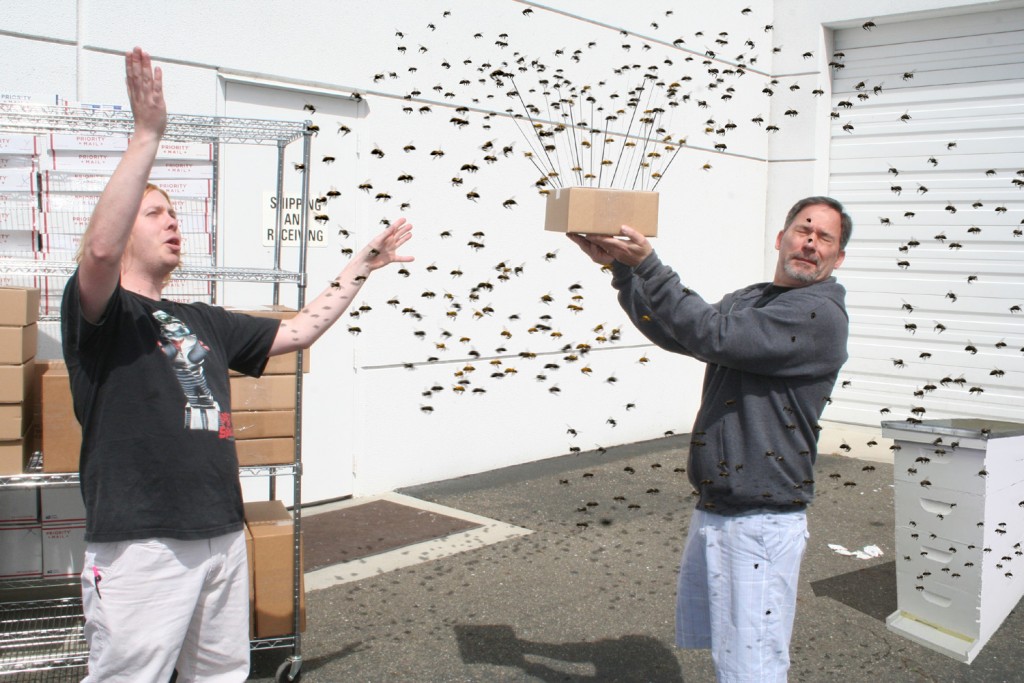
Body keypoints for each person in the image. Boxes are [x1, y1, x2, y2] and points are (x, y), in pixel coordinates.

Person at [62, 47, 413, 682]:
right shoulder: (103, 315)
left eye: (173, 212)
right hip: (143, 540)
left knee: (221, 676)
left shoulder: (204, 318)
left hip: (221, 528)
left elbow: (301, 331)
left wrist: (359, 268)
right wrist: (148, 135)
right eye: (155, 212)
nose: (172, 222)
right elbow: (99, 248)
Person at [568, 197, 851, 682]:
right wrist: (623, 272)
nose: (811, 243)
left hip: (762, 516)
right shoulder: (755, 299)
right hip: (722, 504)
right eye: (804, 230)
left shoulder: (817, 315)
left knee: (752, 666)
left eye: (826, 238)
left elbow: (712, 333)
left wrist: (649, 264)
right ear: (780, 238)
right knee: (732, 653)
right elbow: (682, 333)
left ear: (837, 258)